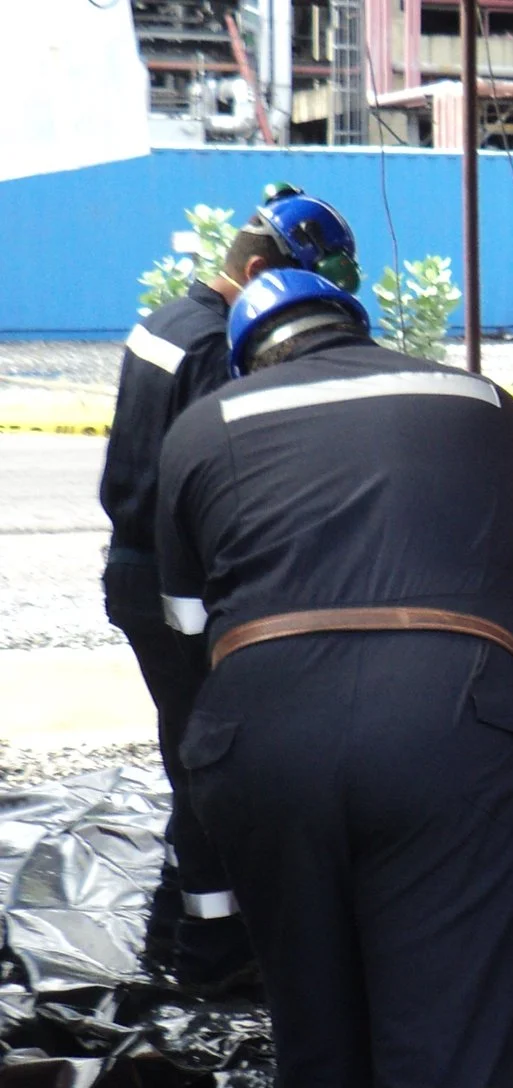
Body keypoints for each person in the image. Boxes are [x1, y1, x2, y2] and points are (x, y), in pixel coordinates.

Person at [155, 269, 513, 1088]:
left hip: (266, 739)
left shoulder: (201, 426)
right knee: (449, 1049)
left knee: (317, 1026)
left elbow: (188, 624)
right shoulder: (477, 401)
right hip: (454, 731)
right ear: (357, 330)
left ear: (250, 352)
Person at [96, 187, 359, 989]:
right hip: (177, 582)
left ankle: (173, 933)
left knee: (190, 756)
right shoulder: (218, 350)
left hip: (139, 568)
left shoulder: (169, 320)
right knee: (216, 768)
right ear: (251, 273)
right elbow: (233, 481)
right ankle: (213, 956)